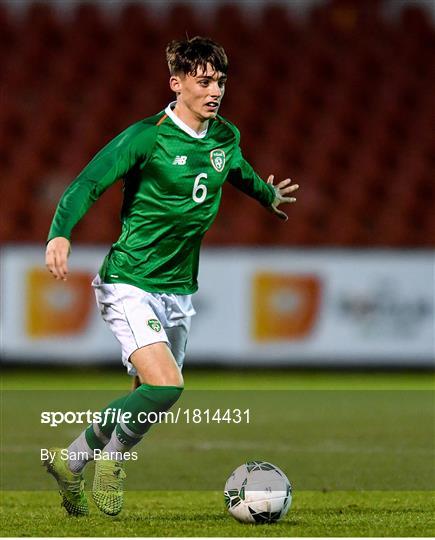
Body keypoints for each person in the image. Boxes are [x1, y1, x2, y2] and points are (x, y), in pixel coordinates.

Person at [44, 36, 299, 517]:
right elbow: (87, 183)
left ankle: (69, 461)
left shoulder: (225, 136)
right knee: (166, 385)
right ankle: (111, 463)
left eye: (220, 81)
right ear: (176, 83)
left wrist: (266, 195)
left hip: (179, 288)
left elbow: (235, 169)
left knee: (153, 395)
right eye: (204, 81)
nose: (215, 90)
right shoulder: (148, 136)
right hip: (129, 280)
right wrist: (60, 234)